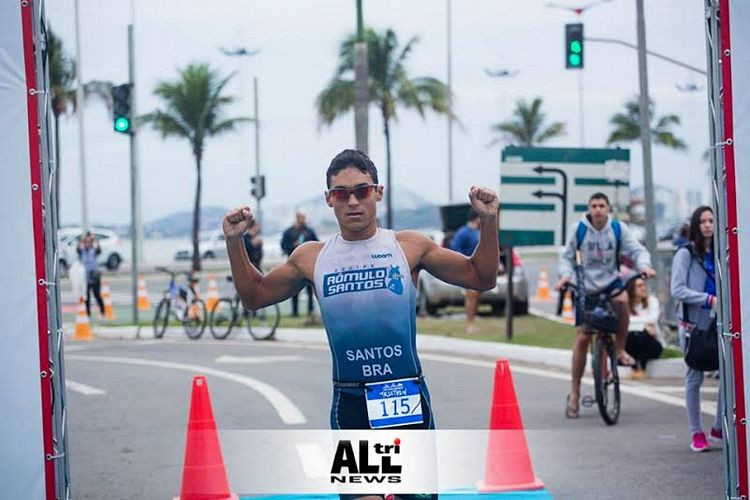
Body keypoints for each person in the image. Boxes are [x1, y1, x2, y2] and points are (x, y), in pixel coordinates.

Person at [223, 149, 499, 500]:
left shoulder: (409, 248)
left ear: (378, 192)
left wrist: (489, 222)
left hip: (404, 397)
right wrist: (235, 243)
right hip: (351, 400)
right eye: (341, 193)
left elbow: (482, 276)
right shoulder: (312, 258)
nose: (352, 200)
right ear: (329, 199)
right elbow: (254, 296)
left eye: (362, 190)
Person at [556, 192, 656, 418]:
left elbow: (637, 250)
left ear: (608, 208)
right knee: (582, 337)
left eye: (602, 205)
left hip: (610, 283)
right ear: (589, 208)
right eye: (594, 205)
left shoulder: (618, 229)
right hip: (585, 287)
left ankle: (619, 349)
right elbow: (566, 257)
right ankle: (574, 393)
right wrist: (565, 276)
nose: (598, 210)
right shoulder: (579, 229)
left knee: (622, 301)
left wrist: (644, 266)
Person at [671, 205, 722, 452]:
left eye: (711, 220)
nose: (708, 225)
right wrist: (708, 299)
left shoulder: (721, 251)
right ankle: (696, 432)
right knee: (694, 376)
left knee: (729, 374)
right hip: (693, 324)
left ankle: (719, 428)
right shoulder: (686, 254)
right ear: (695, 225)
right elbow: (677, 289)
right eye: (702, 221)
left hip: (719, 323)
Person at [281, 211, 319, 317]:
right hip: (294, 265)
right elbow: (284, 246)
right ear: (297, 218)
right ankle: (294, 312)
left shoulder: (309, 232)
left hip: (309, 264)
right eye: (301, 218)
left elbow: (317, 244)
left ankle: (310, 312)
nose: (303, 220)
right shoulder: (289, 232)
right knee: (293, 289)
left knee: (310, 289)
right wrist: (293, 245)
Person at [625, 277, 663, 380]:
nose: (643, 288)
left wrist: (635, 322)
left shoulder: (652, 301)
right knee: (631, 335)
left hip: (652, 344)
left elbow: (653, 318)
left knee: (643, 334)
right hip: (633, 343)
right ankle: (634, 368)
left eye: (644, 285)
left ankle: (641, 369)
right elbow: (624, 321)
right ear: (632, 289)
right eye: (639, 286)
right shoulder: (627, 304)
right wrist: (644, 325)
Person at [451, 209, 482, 333]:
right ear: (477, 218)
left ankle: (473, 319)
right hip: (467, 268)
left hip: (479, 268)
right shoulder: (463, 232)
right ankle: (469, 324)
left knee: (478, 295)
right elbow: (455, 249)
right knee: (472, 294)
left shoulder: (479, 232)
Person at [77, 232, 105, 318]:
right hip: (85, 276)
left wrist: (94, 239)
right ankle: (88, 314)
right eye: (86, 242)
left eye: (89, 242)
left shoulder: (94, 251)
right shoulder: (81, 251)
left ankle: (102, 312)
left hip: (95, 275)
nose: (87, 244)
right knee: (86, 296)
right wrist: (82, 239)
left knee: (97, 295)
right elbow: (78, 247)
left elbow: (99, 249)